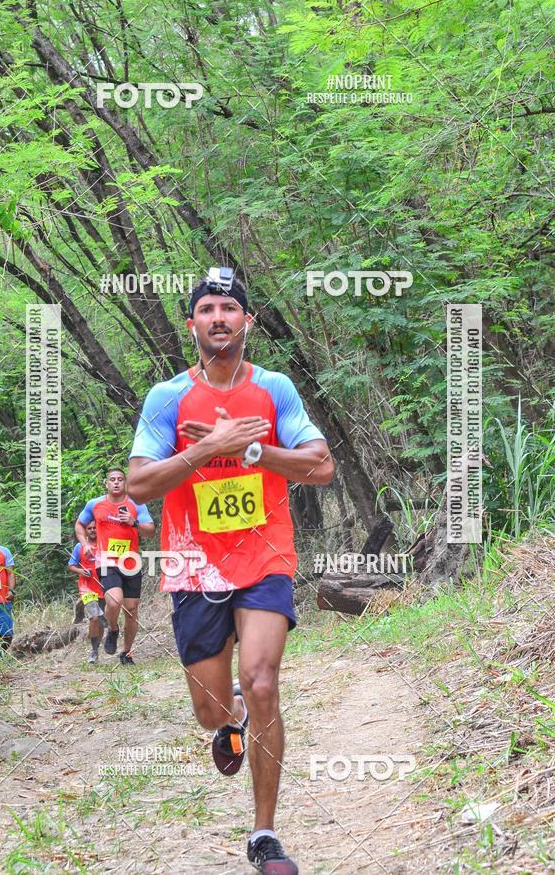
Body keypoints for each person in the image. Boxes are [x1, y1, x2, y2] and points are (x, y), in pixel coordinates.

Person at [127, 268, 334, 874]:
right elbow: (140, 482)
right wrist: (203, 449)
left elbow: (318, 467)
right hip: (193, 564)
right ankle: (232, 718)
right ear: (191, 324)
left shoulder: (275, 390)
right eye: (207, 309)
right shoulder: (167, 397)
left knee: (264, 678)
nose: (219, 317)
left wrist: (250, 450)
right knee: (211, 711)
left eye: (230, 308)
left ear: (248, 321)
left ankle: (264, 834)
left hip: (264, 555)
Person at [74, 469, 155, 665]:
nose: (116, 482)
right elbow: (79, 525)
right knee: (114, 602)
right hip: (106, 561)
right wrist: (85, 544)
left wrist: (133, 522)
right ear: (106, 483)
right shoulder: (95, 504)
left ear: (125, 483)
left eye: (120, 479)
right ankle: (113, 629)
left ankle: (126, 653)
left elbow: (150, 531)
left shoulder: (136, 504)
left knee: (132, 610)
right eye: (112, 479)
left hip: (130, 562)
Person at [68, 521, 108, 664]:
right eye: (89, 528)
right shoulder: (80, 547)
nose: (92, 531)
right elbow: (71, 566)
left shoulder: (104, 544)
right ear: (85, 531)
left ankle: (96, 648)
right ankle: (93, 651)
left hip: (102, 585)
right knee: (95, 617)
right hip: (86, 587)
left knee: (101, 622)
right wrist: (81, 571)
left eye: (94, 528)